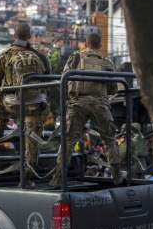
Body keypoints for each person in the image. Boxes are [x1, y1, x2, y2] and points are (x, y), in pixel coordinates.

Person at [50, 32, 121, 187]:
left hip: (77, 104)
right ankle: (116, 176)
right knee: (109, 140)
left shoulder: (74, 58)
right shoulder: (106, 62)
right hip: (100, 105)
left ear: (84, 44)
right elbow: (113, 89)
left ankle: (57, 178)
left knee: (68, 141)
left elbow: (63, 82)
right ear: (100, 46)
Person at [0, 23, 51, 188]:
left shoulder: (5, 55)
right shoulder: (40, 54)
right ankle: (26, 179)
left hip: (14, 104)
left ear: (14, 36)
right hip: (35, 104)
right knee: (32, 145)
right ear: (30, 37)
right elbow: (49, 77)